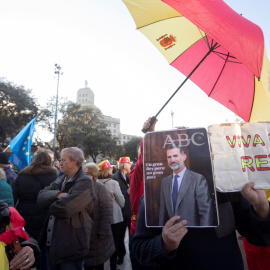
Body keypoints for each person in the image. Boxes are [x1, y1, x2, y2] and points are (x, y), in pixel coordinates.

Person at [132, 118, 270, 270]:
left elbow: (260, 237)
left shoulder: (228, 188)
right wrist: (163, 244)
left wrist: (261, 207)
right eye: (169, 156)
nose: (173, 160)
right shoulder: (155, 191)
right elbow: (139, 250)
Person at [37, 147, 95, 270]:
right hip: (52, 244)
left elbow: (66, 209)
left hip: (70, 247)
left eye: (63, 160)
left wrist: (49, 203)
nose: (60, 163)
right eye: (60, 160)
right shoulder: (60, 178)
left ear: (74, 161)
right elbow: (40, 197)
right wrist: (57, 195)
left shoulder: (85, 181)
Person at [159, 145, 214, 226]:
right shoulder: (164, 182)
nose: (172, 160)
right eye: (169, 157)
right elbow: (162, 213)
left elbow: (206, 212)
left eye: (175, 156)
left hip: (193, 234)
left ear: (184, 157)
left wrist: (203, 234)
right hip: (171, 235)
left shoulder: (198, 179)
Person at [12, 151, 58, 240]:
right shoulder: (53, 177)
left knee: (26, 240)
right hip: (44, 213)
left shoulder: (22, 175)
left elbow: (14, 195)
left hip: (23, 211)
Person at [83, 163, 115, 270]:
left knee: (97, 262)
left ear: (92, 174)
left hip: (97, 234)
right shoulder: (80, 187)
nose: (83, 174)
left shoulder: (100, 188)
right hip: (85, 233)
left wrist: (103, 231)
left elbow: (107, 210)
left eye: (86, 172)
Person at [97, 160, 124, 270]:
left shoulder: (94, 182)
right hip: (114, 217)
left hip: (99, 217)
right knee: (115, 242)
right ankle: (113, 266)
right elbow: (121, 201)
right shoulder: (113, 183)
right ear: (108, 170)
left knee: (101, 244)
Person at [111, 157, 132, 265]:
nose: (130, 166)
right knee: (120, 236)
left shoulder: (129, 176)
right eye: (129, 164)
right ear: (124, 165)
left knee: (132, 235)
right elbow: (114, 194)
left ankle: (132, 254)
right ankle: (121, 255)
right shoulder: (114, 178)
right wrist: (126, 192)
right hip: (121, 212)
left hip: (131, 211)